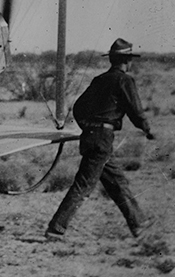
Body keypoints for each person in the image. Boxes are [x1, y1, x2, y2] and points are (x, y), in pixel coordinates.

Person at [46, 38, 156, 240]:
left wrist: (89, 127)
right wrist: (148, 130)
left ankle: (138, 223)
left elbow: (78, 108)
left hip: (91, 138)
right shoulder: (125, 80)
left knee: (117, 182)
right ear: (127, 61)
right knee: (84, 185)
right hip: (102, 139)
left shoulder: (99, 80)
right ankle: (56, 228)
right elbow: (136, 111)